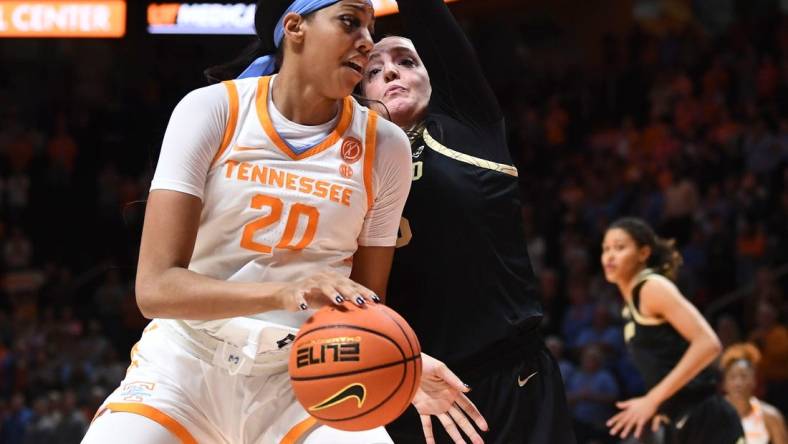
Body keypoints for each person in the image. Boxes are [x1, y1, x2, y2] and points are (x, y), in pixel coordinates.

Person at [82, 1, 482, 443]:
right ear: (295, 27)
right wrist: (286, 293)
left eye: (370, 27)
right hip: (186, 364)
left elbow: (368, 303)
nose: (367, 41)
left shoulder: (385, 145)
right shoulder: (213, 111)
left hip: (307, 373)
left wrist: (402, 363)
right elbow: (156, 290)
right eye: (351, 22)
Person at [359, 0, 575, 442]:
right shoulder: (350, 162)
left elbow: (431, 19)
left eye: (406, 61)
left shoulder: (468, 124)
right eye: (373, 71)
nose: (392, 73)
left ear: (433, 76)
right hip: (416, 385)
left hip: (513, 376)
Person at [601, 217, 744, 443]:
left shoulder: (651, 287)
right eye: (606, 248)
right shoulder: (629, 308)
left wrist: (652, 400)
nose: (609, 255)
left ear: (643, 253)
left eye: (619, 247)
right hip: (679, 422)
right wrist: (662, 405)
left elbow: (709, 343)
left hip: (707, 418)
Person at [721, 342, 788, 444]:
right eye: (733, 377)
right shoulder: (713, 415)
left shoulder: (771, 417)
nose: (738, 383)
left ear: (754, 381)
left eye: (743, 376)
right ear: (724, 383)